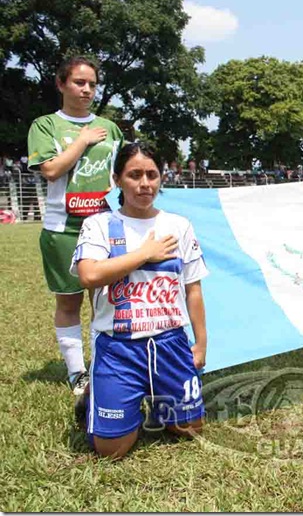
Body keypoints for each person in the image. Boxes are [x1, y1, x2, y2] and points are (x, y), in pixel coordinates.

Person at [71, 142, 208, 459]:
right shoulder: (99, 224)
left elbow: (193, 289)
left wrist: (200, 343)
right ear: (117, 179)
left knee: (189, 429)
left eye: (152, 174)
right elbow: (89, 275)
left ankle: (157, 396)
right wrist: (144, 254)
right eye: (134, 175)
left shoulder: (179, 225)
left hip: (170, 344)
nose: (144, 183)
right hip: (119, 347)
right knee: (111, 451)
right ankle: (102, 396)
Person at [27, 56, 124, 396]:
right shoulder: (45, 125)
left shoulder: (110, 129)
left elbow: (122, 173)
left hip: (104, 227)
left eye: (92, 84)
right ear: (61, 84)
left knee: (106, 300)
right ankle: (76, 372)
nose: (86, 89)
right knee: (69, 302)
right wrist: (82, 141)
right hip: (63, 229)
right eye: (79, 82)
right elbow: (51, 170)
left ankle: (104, 366)